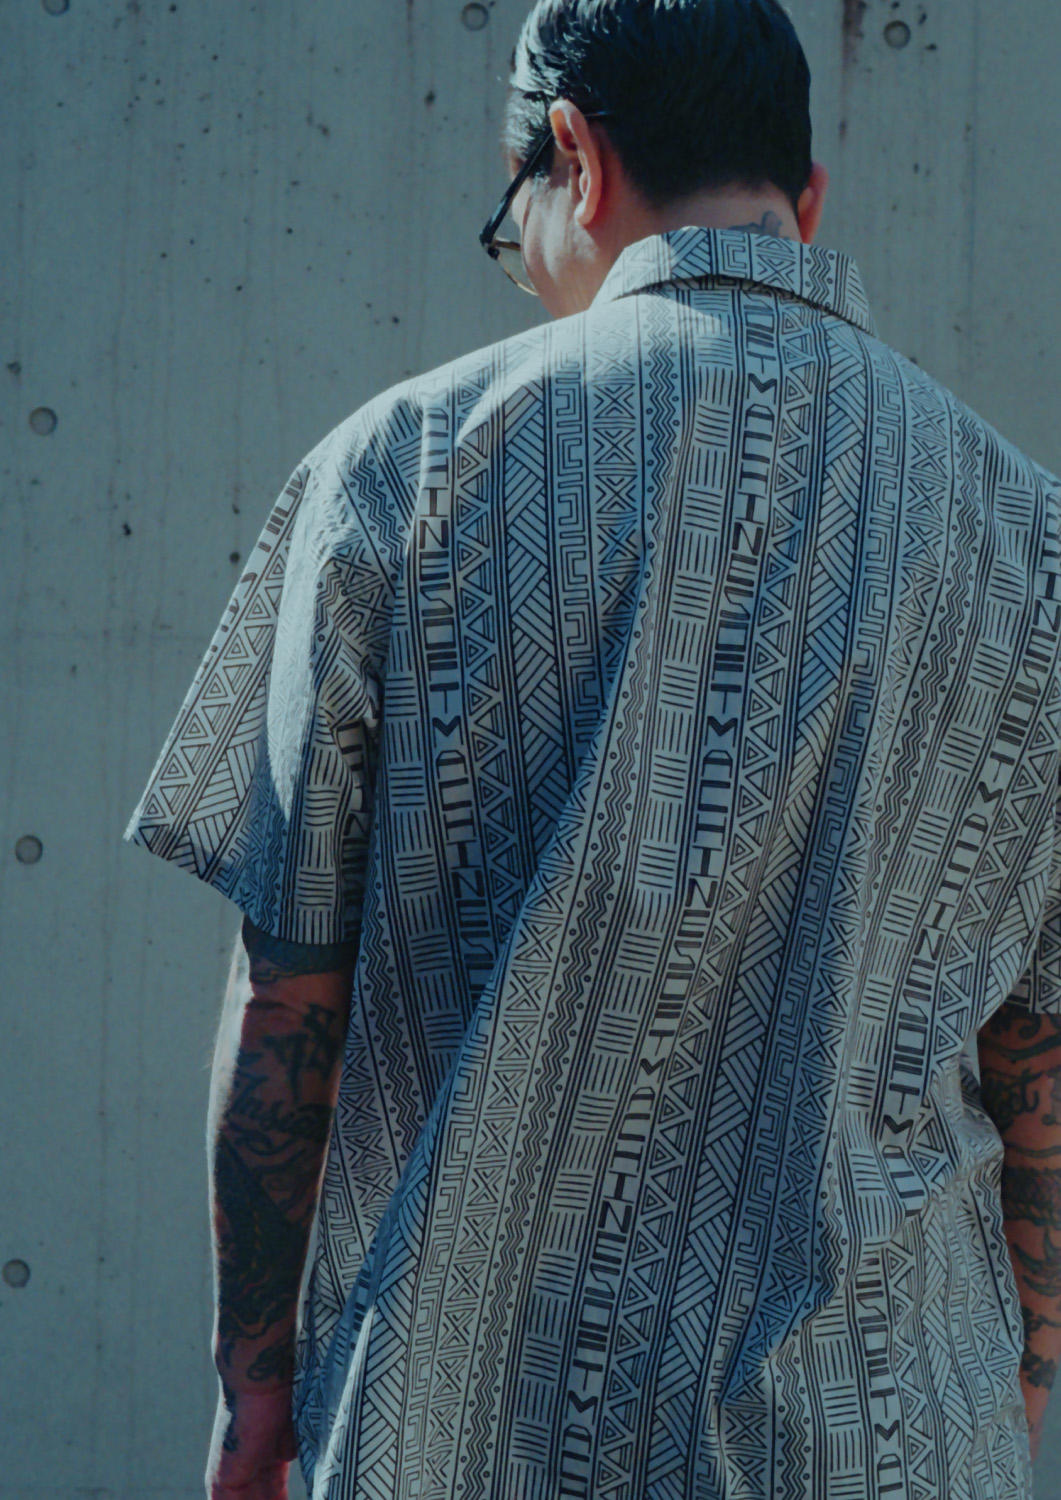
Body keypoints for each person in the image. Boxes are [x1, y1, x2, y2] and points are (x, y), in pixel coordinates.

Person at [124, 1, 1061, 1496]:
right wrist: (1019, 1375)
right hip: (889, 1433)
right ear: (807, 197)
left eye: (513, 223)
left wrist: (254, 1393)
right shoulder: (1030, 539)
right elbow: (1036, 1044)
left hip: (469, 1430)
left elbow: (287, 996)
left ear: (572, 151)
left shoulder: (400, 472)